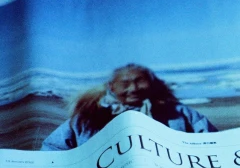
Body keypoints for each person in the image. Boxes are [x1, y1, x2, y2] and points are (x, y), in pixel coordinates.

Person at [41, 64, 217, 150]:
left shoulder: (179, 114)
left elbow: (213, 143)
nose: (133, 88)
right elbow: (52, 150)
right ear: (111, 87)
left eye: (140, 82)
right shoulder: (85, 120)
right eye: (125, 83)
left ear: (152, 83)